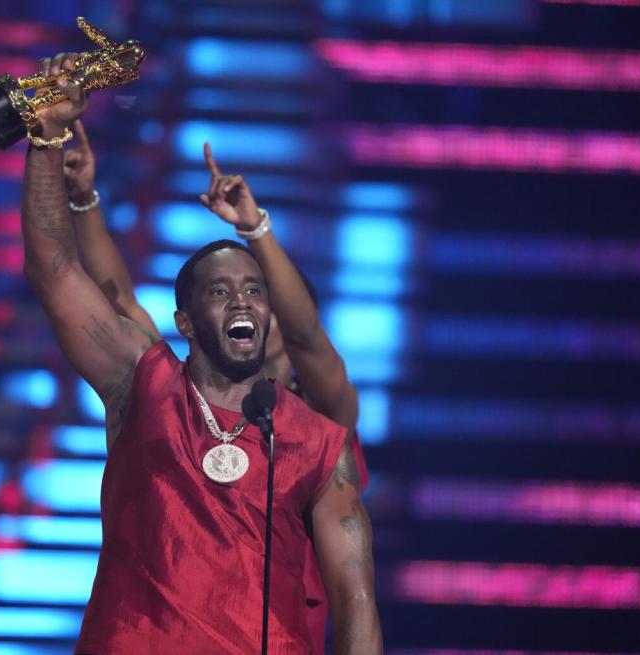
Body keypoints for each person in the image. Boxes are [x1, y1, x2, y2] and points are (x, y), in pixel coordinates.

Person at [22, 52, 382, 654]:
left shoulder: (320, 442)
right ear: (185, 322)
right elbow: (58, 273)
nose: (242, 302)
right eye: (221, 291)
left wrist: (257, 230)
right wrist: (46, 136)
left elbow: (357, 598)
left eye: (254, 291)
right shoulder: (144, 381)